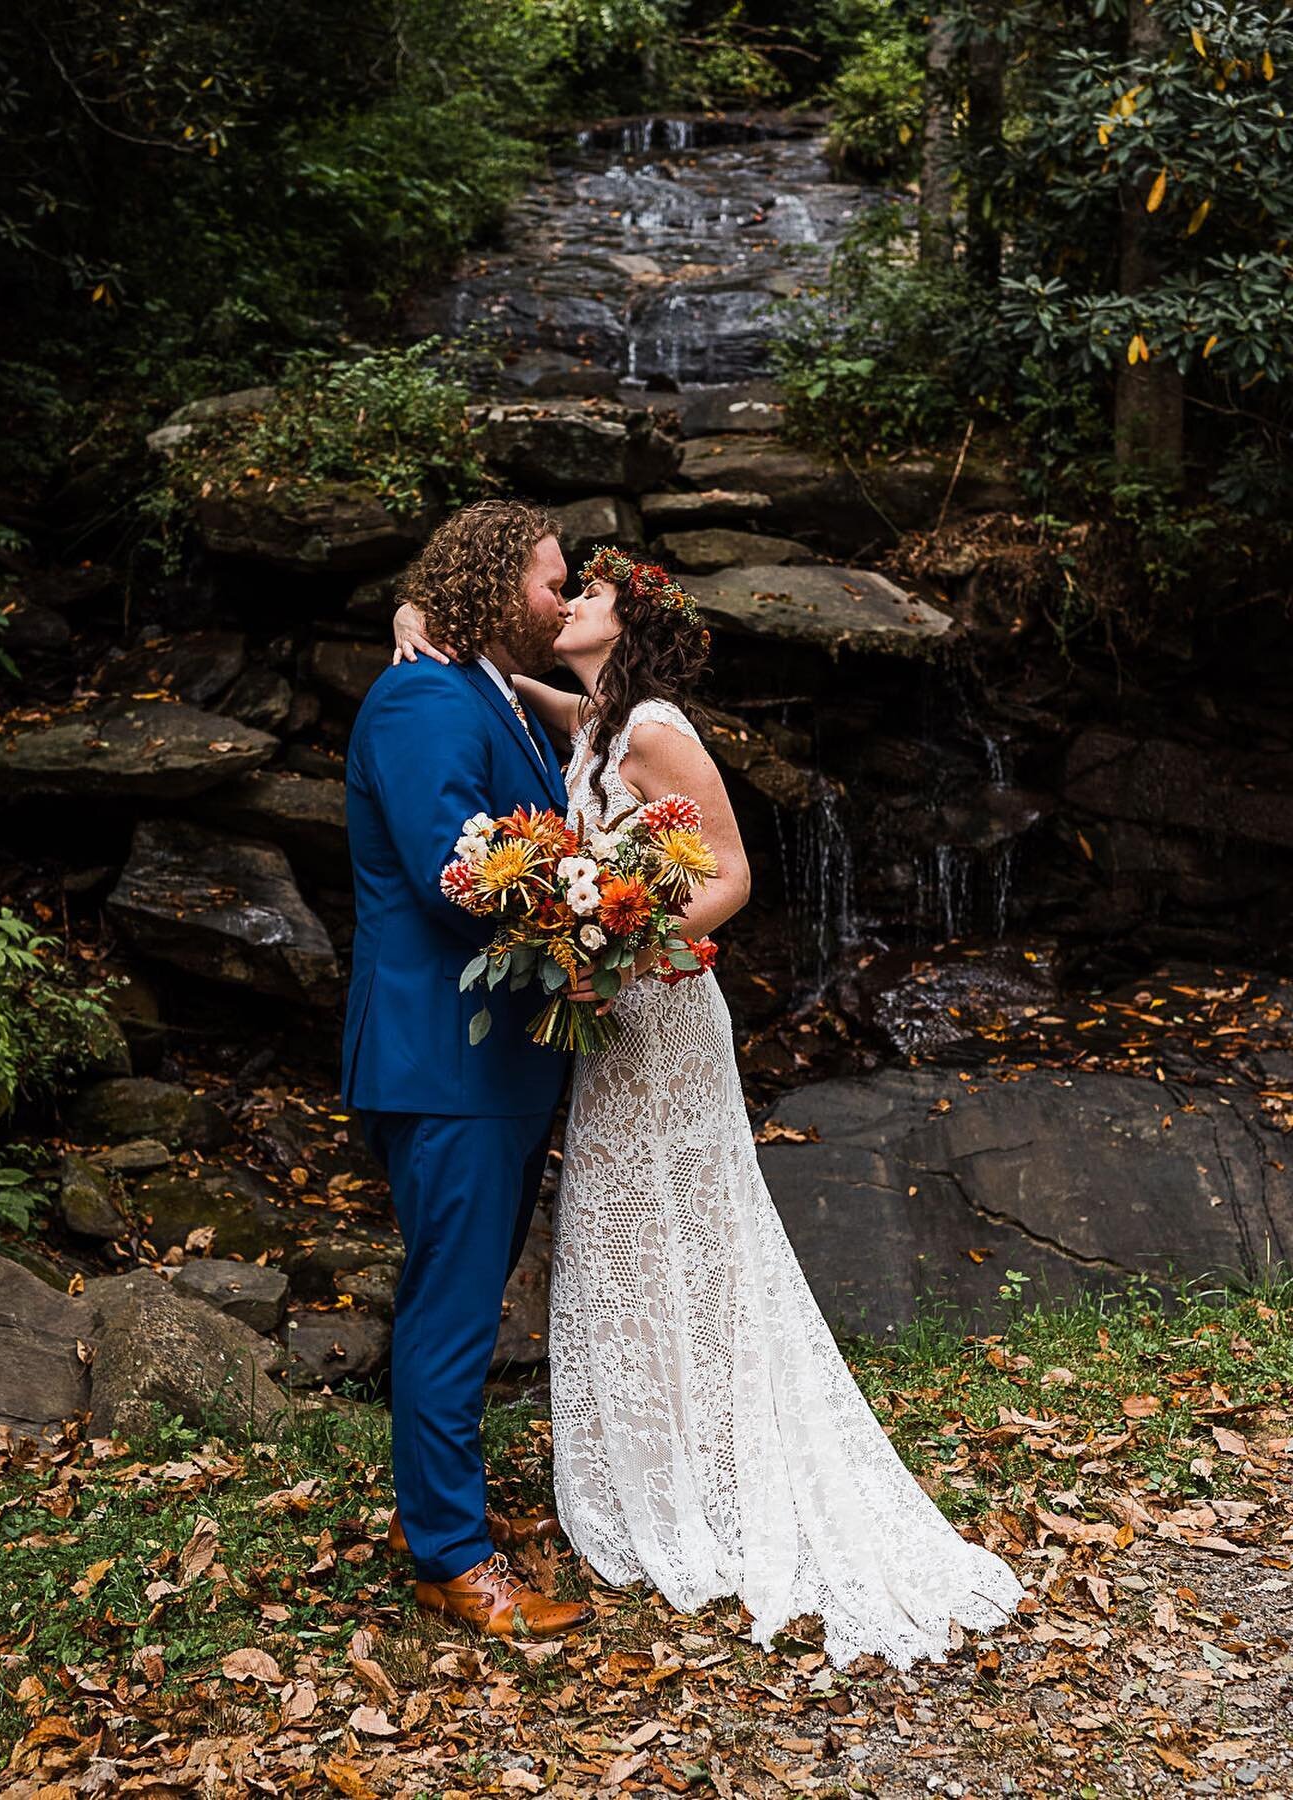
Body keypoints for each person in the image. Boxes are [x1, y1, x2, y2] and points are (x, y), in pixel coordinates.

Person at [392, 543, 1025, 1666]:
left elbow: (729, 875)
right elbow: (519, 692)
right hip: (607, 1023)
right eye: (564, 584)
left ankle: (712, 1470)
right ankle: (655, 1462)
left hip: (657, 1009)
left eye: (584, 595)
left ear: (622, 632)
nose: (566, 602)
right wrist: (415, 618)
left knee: (693, 1229)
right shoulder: (593, 723)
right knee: (623, 1241)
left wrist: (622, 943)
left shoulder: (654, 732)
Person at [344, 499, 595, 1641]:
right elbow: (460, 874)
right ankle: (452, 1557)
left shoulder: (493, 691)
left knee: (458, 1297)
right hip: (445, 1060)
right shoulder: (420, 699)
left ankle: (429, 1515)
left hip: (493, 1066)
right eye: (551, 581)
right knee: (452, 1311)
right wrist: (589, 922)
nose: (562, 596)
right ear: (498, 589)